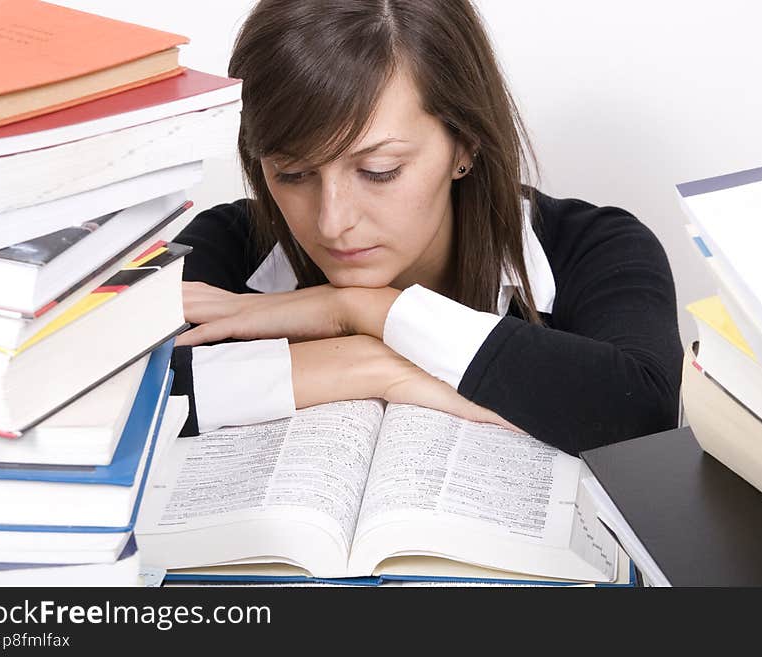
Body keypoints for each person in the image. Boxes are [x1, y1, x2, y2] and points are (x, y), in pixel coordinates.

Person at [170, 0, 683, 456]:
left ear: (464, 144)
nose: (332, 221)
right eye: (292, 174)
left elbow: (642, 415)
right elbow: (119, 406)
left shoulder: (595, 248)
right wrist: (372, 364)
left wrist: (359, 307)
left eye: (380, 171)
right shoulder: (229, 245)